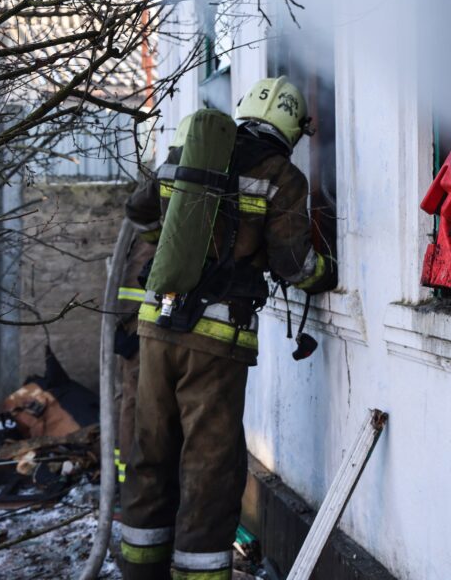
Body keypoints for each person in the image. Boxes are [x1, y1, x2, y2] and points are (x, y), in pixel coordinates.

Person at [119, 77, 337, 580]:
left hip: (156, 325)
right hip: (215, 341)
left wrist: (176, 238)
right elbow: (294, 265)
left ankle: (139, 571)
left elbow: (138, 211)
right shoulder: (281, 175)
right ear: (292, 128)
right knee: (209, 465)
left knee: (151, 452)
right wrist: (328, 272)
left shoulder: (188, 152)